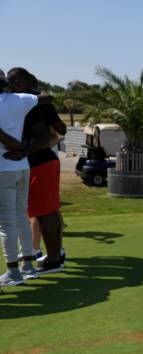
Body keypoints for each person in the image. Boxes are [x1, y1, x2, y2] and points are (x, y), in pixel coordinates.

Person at [7, 68, 66, 275]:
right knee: (49, 210)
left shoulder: (28, 105)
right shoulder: (40, 101)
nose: (10, 84)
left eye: (14, 80)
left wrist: (21, 152)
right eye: (9, 81)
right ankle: (56, 254)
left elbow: (42, 138)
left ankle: (53, 258)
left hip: (39, 162)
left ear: (25, 80)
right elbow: (61, 129)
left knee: (43, 212)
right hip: (47, 161)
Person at [0, 69, 52, 286]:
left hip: (3, 166)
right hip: (21, 164)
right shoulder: (21, 100)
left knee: (6, 223)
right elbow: (48, 96)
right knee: (21, 216)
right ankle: (28, 265)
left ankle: (13, 271)